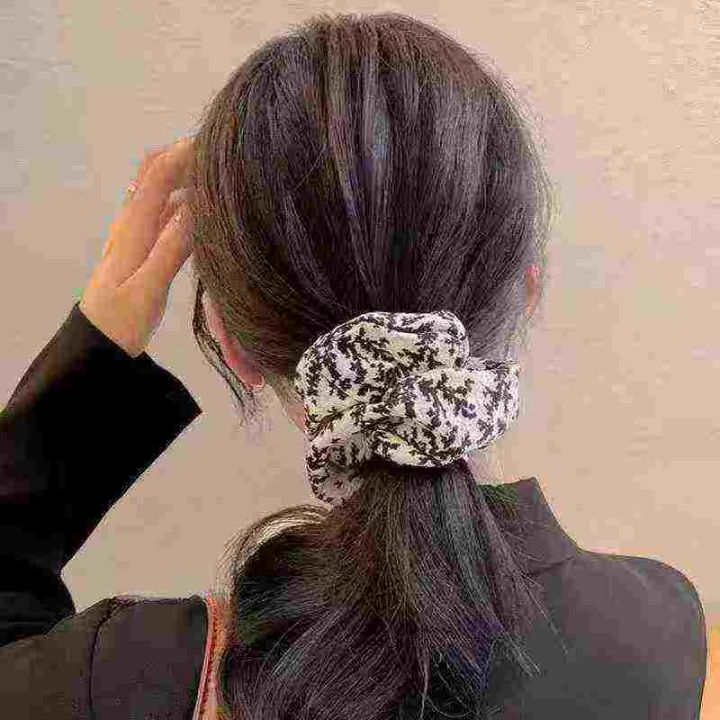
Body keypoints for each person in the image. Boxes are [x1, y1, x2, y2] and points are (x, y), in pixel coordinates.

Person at [0, 11, 709, 720]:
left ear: (230, 341)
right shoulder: (662, 632)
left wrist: (89, 361)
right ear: (526, 292)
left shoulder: (126, 679)